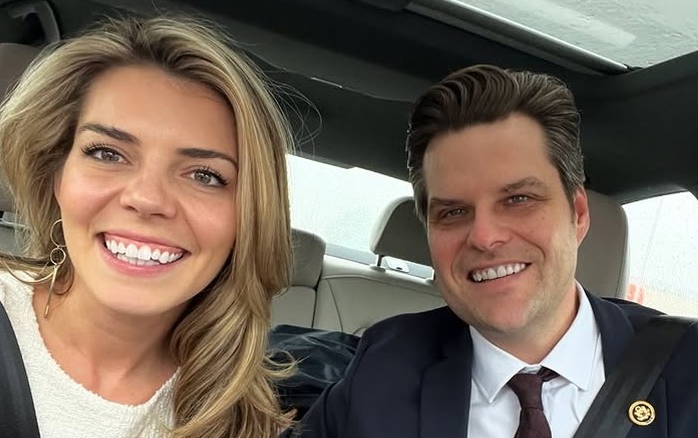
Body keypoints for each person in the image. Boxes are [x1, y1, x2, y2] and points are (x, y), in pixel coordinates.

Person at [0, 15, 295, 438]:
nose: (148, 198)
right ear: (56, 174)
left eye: (205, 175)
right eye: (107, 153)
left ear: (249, 216)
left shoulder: (241, 417)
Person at [297, 64, 698, 437]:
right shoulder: (384, 367)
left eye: (519, 199)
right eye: (454, 211)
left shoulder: (685, 365)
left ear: (577, 214)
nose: (485, 237)